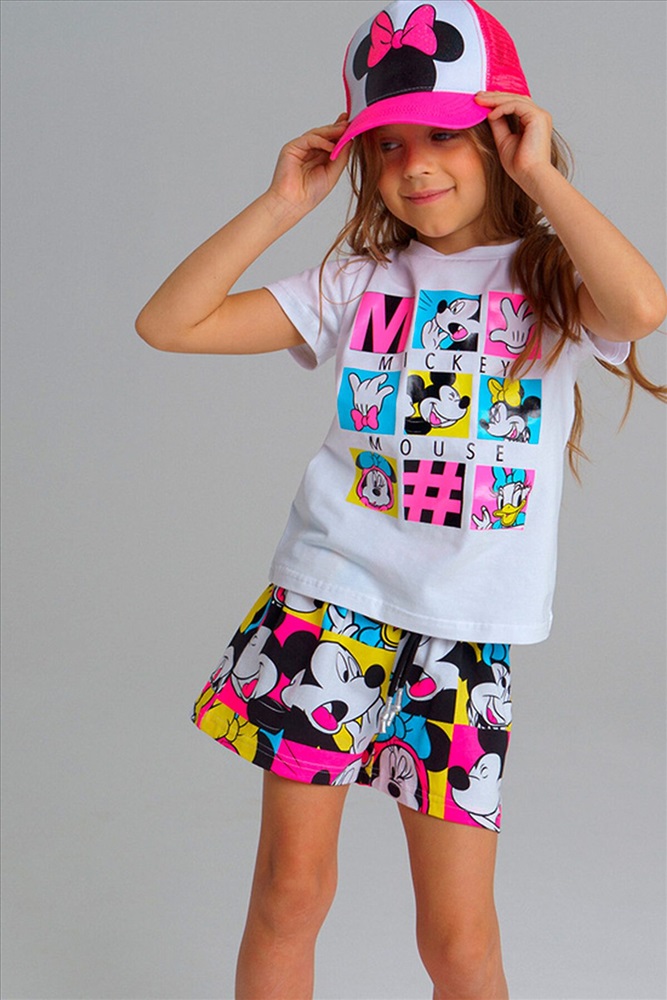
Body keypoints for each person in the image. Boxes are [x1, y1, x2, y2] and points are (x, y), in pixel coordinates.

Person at [135, 2, 666, 997]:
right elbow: (170, 324)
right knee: (289, 893)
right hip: (326, 606)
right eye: (387, 146)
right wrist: (281, 204)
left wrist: (542, 178)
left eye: (443, 136)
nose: (414, 166)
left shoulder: (548, 279)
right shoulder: (357, 281)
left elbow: (641, 307)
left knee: (457, 940)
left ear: (501, 134)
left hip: (463, 634)